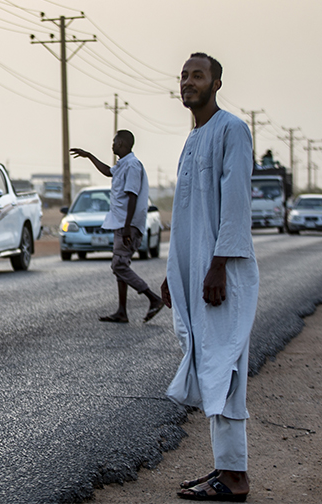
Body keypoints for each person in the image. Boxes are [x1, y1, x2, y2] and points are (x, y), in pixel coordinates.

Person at [162, 53, 258, 502]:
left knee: (227, 366)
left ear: (217, 83)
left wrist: (218, 266)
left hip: (223, 273)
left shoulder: (232, 130)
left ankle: (235, 477)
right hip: (197, 273)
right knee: (212, 364)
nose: (187, 82)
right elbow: (186, 219)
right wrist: (173, 275)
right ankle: (225, 468)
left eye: (197, 75)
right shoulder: (195, 137)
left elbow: (236, 204)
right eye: (183, 76)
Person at [70, 131, 164, 324]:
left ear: (121, 143)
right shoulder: (123, 165)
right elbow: (107, 171)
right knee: (122, 267)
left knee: (119, 265)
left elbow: (132, 196)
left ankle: (153, 298)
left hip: (126, 225)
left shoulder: (132, 165)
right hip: (121, 223)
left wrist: (128, 226)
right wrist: (88, 156)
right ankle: (122, 311)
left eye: (114, 142)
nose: (112, 145)